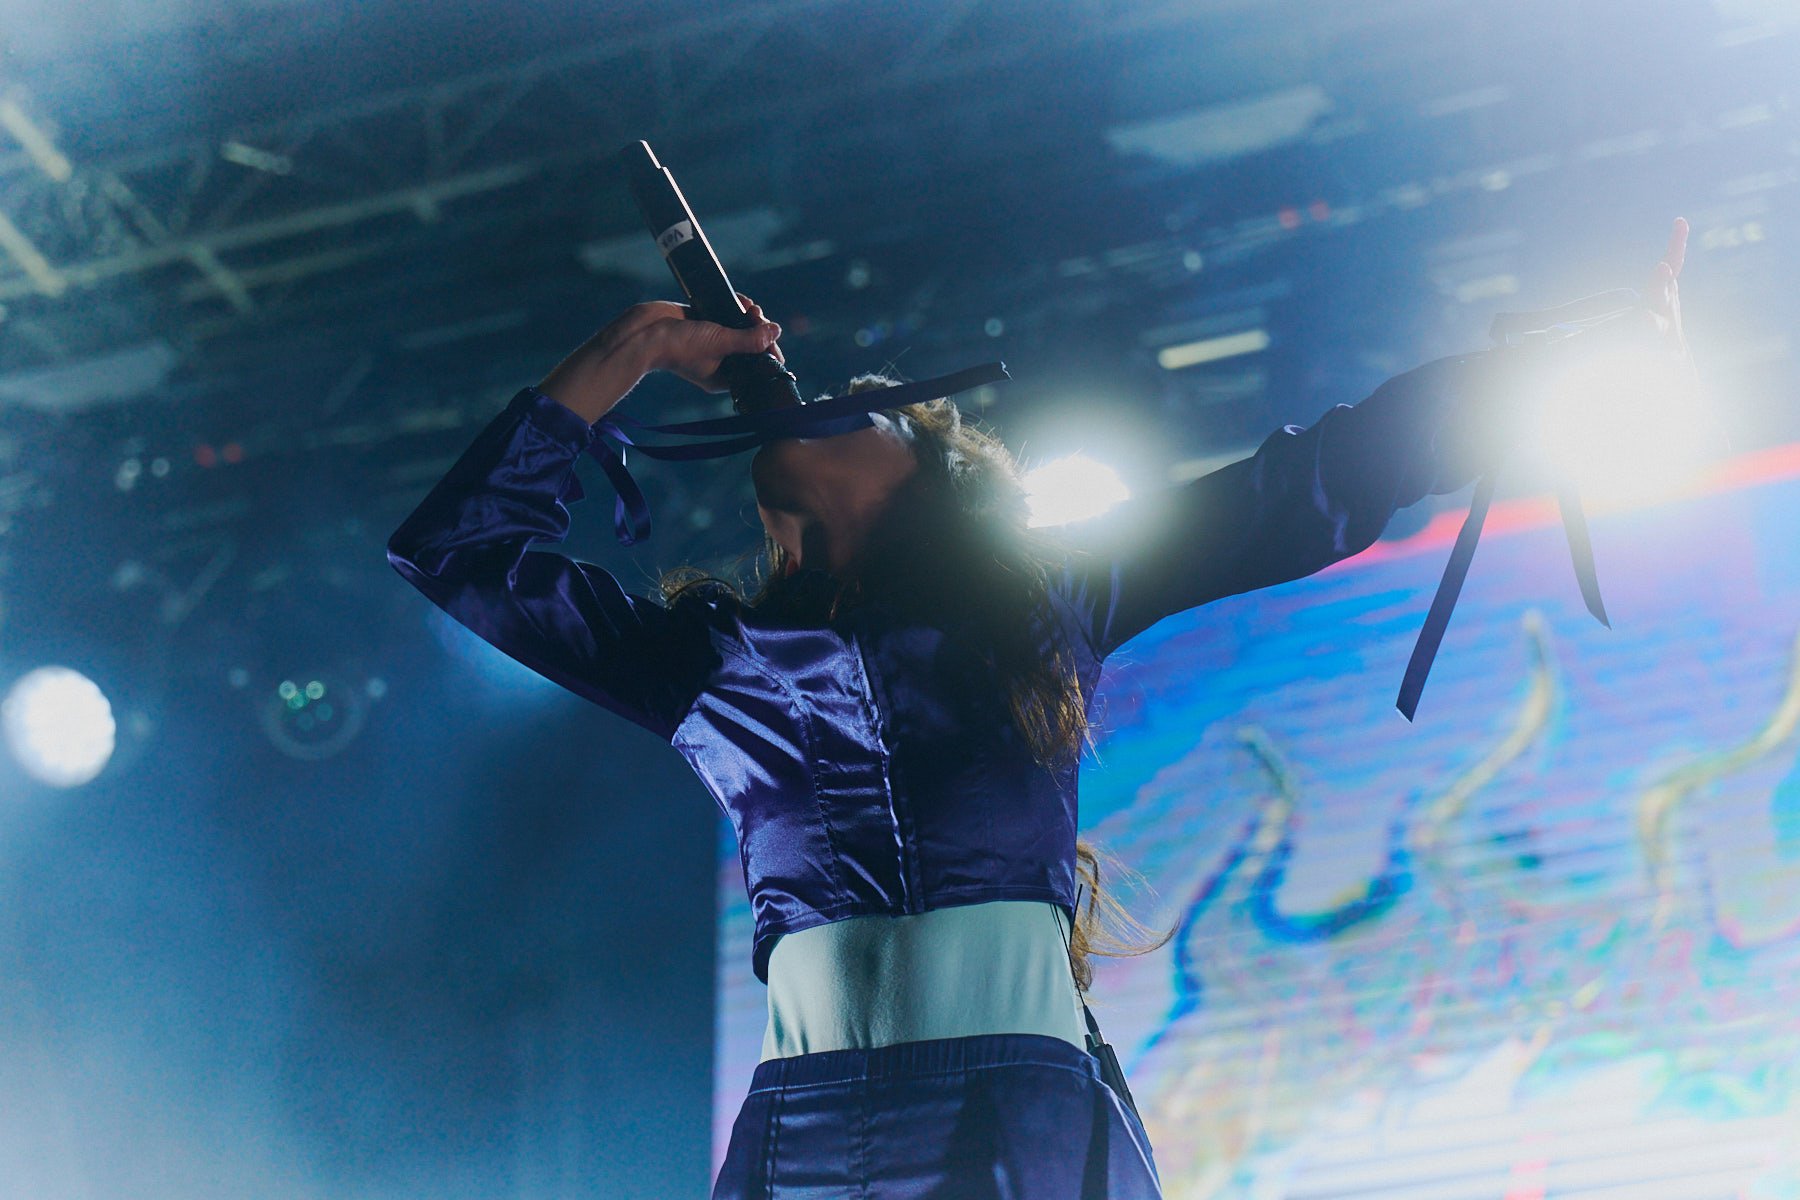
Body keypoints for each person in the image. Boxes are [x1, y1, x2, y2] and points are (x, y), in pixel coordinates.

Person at [387, 220, 1692, 1198]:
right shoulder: (706, 663)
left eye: (885, 411)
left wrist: (1546, 367)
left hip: (1014, 1120)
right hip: (807, 1133)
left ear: (925, 482)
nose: (842, 400)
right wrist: (633, 347)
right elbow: (457, 551)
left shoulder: (1040, 604)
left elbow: (1314, 483)